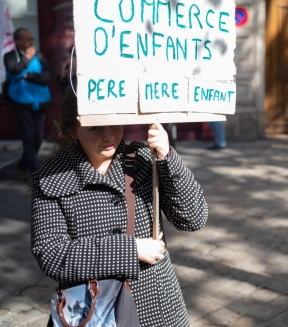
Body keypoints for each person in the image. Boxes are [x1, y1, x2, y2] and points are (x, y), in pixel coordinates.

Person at [31, 91, 208, 327]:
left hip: (159, 308)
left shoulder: (144, 160)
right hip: (95, 312)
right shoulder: (53, 176)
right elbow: (51, 254)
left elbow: (193, 218)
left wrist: (167, 157)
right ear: (74, 130)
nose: (108, 135)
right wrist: (130, 249)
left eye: (115, 122)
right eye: (95, 128)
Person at [4, 27, 51, 180]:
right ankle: (36, 173)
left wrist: (28, 75)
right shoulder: (10, 56)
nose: (31, 42)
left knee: (37, 138)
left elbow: (47, 76)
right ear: (17, 42)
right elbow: (14, 72)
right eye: (28, 39)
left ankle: (23, 165)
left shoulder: (39, 55)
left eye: (32, 39)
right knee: (28, 138)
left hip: (40, 102)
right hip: (21, 102)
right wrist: (27, 58)